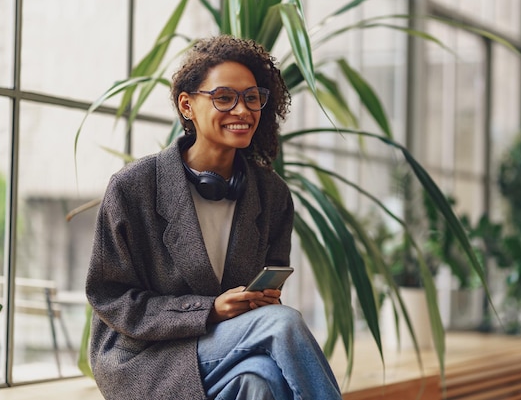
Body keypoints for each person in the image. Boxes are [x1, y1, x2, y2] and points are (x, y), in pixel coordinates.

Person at [86, 35, 343, 400]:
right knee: (282, 326)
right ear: (187, 105)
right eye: (224, 97)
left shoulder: (271, 194)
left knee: (260, 378)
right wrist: (209, 310)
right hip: (147, 356)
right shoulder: (133, 188)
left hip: (231, 345)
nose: (243, 110)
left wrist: (258, 301)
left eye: (252, 98)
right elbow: (109, 295)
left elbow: (267, 289)